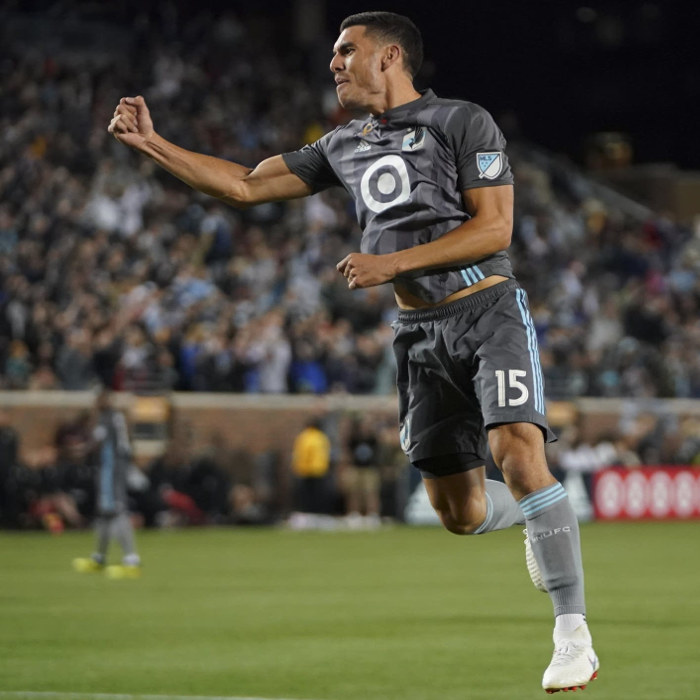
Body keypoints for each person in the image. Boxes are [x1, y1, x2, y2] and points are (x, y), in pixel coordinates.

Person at [108, 11, 598, 691]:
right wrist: (153, 143)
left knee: (517, 449)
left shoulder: (462, 121)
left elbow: (495, 228)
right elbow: (245, 184)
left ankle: (572, 635)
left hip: (487, 311)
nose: (334, 63)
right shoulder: (342, 144)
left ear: (390, 57)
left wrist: (389, 263)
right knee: (459, 513)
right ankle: (538, 510)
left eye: (346, 51)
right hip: (418, 333)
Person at [73, 388, 142, 579]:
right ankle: (99, 558)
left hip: (111, 470)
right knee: (105, 513)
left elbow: (97, 440)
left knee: (117, 510)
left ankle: (131, 560)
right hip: (114, 468)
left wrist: (80, 451)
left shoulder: (107, 418)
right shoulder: (118, 417)